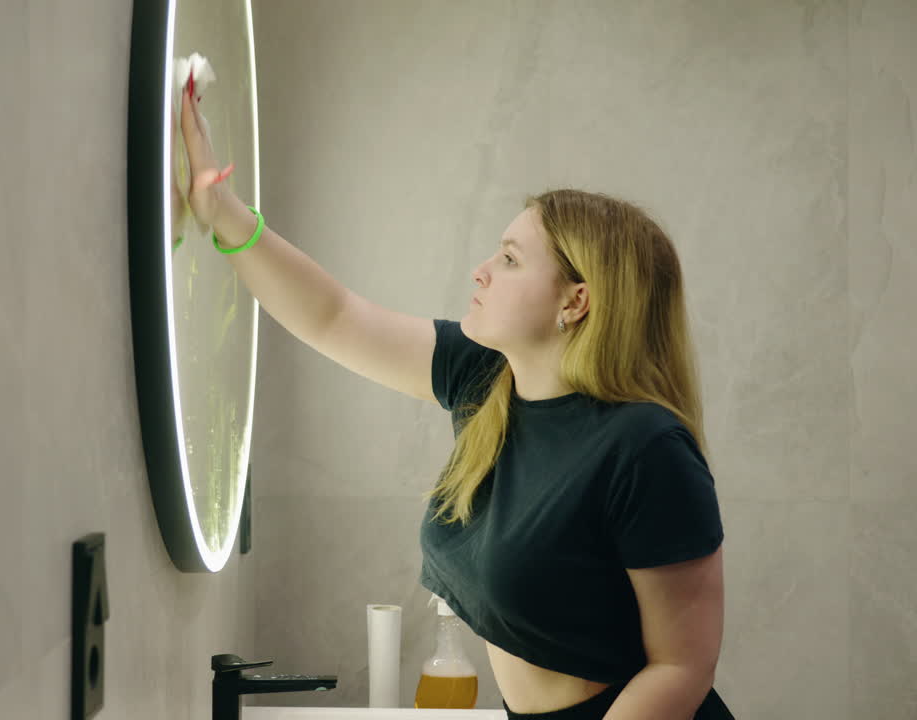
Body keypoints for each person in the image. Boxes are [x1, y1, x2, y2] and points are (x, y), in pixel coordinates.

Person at [178, 73, 733, 719]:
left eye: (510, 259)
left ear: (575, 301)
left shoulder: (645, 447)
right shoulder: (486, 379)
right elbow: (331, 317)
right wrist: (223, 212)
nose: (482, 270)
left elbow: (680, 667)